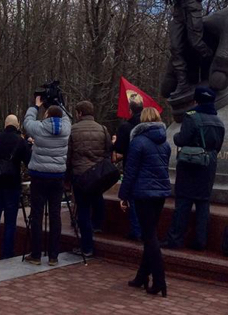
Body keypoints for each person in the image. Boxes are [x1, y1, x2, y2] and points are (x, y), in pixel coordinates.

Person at [118, 107, 171, 297]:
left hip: (143, 193)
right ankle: (142, 276)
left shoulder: (138, 142)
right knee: (151, 234)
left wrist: (123, 195)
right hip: (160, 193)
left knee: (149, 237)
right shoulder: (165, 143)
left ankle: (159, 280)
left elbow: (130, 172)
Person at [164, 87, 225, 250]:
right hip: (209, 164)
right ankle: (200, 241)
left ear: (196, 101)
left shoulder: (191, 117)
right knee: (203, 203)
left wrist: (176, 136)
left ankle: (175, 239)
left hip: (190, 164)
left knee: (183, 202)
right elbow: (218, 146)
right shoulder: (219, 121)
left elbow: (182, 139)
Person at [22, 97, 71, 266]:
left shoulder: (39, 128)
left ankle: (36, 254)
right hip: (57, 177)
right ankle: (53, 256)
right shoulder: (66, 128)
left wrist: (35, 106)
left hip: (39, 176)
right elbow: (65, 117)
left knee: (37, 215)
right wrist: (59, 102)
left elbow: (27, 122)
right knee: (55, 215)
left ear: (47, 114)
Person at [162, 0, 213, 97]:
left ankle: (217, 68)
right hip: (179, 12)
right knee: (176, 47)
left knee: (196, 42)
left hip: (191, 10)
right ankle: (183, 83)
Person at [67, 101, 111, 258]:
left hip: (80, 174)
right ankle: (98, 224)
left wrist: (67, 175)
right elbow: (107, 151)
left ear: (79, 113)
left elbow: (69, 154)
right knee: (97, 198)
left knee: (83, 210)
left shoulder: (73, 130)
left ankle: (86, 246)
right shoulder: (102, 129)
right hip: (97, 173)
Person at [0, 115, 29, 261]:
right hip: (12, 184)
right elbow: (29, 162)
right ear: (17, 126)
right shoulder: (20, 141)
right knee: (10, 221)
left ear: (5, 124)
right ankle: (7, 253)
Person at [114, 95, 143, 240]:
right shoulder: (148, 126)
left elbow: (119, 148)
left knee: (132, 198)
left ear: (130, 110)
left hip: (131, 165)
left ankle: (136, 230)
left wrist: (115, 142)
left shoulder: (126, 127)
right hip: (148, 169)